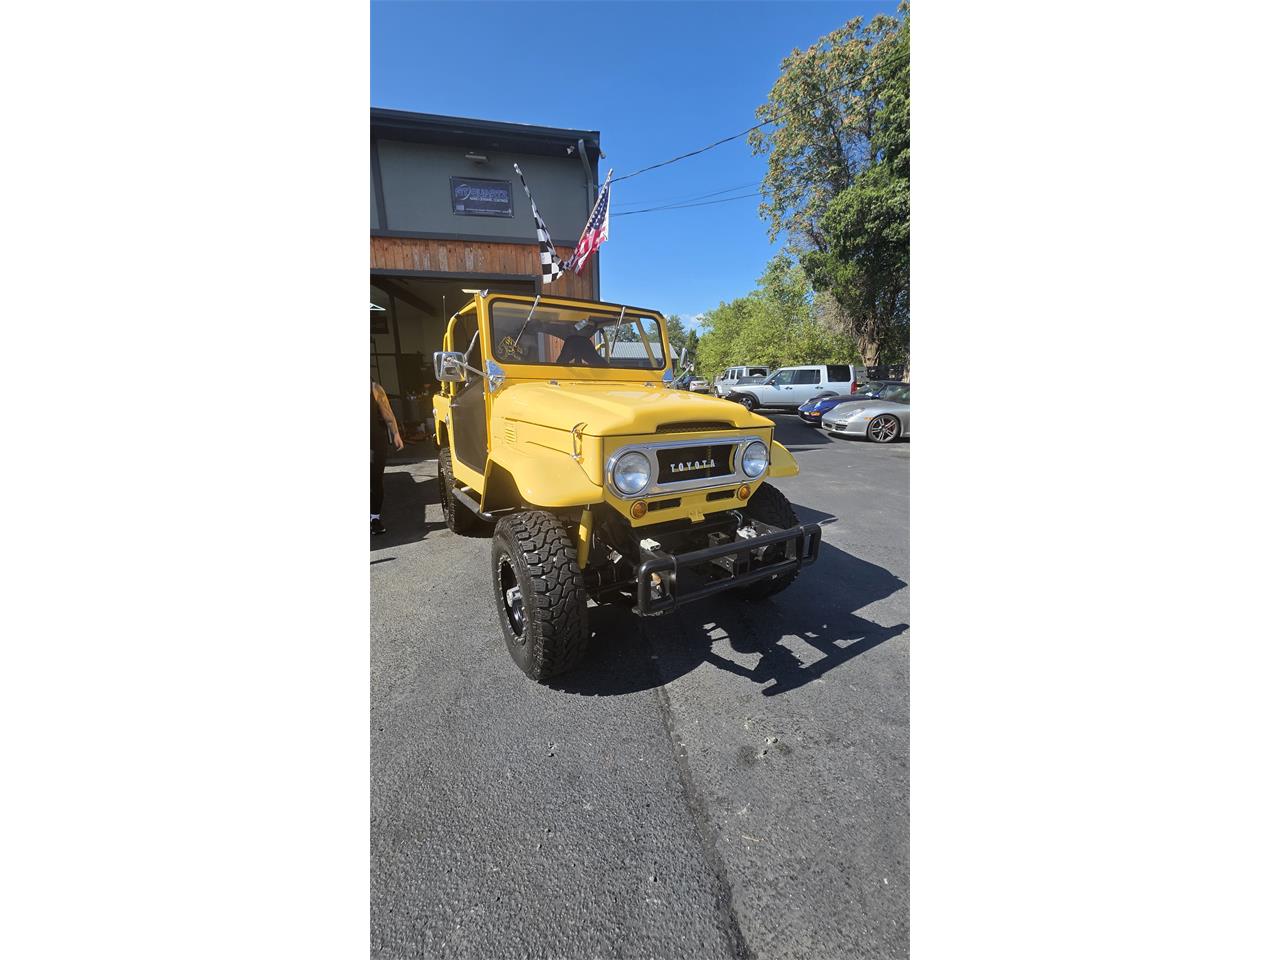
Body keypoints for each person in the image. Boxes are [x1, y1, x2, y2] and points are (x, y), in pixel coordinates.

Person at [371, 380, 404, 535]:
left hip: (373, 441)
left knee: (374, 480)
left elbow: (388, 413)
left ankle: (374, 518)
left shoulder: (374, 388)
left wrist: (396, 433)